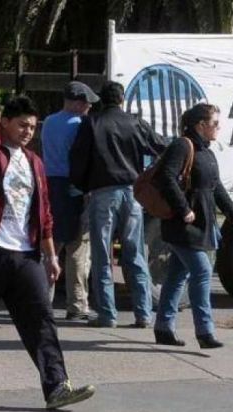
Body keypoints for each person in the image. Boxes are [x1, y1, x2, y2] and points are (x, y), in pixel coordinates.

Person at [0, 96, 95, 410]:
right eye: (22, 125)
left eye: (32, 126)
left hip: (27, 254)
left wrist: (51, 255)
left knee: (41, 319)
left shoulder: (34, 162)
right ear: (7, 124)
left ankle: (57, 387)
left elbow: (44, 214)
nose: (28, 131)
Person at [153, 103, 233, 349]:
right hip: (182, 225)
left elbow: (216, 189)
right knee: (203, 272)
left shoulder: (207, 152)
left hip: (202, 224)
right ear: (201, 125)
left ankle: (163, 328)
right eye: (215, 123)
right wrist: (183, 209)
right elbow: (166, 177)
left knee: (177, 274)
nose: (219, 128)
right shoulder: (183, 146)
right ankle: (205, 332)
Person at [69, 81, 165, 328]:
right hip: (132, 193)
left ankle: (107, 315)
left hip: (103, 193)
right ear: (122, 99)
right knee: (135, 254)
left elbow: (78, 158)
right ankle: (143, 314)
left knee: (103, 255)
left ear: (101, 98)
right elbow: (160, 146)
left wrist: (82, 185)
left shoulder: (92, 122)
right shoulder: (135, 123)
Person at [41, 81, 99, 320]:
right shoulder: (80, 125)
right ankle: (77, 304)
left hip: (49, 184)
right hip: (73, 186)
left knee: (51, 245)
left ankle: (42, 302)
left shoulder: (48, 122)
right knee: (78, 247)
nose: (88, 107)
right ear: (76, 102)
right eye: (86, 103)